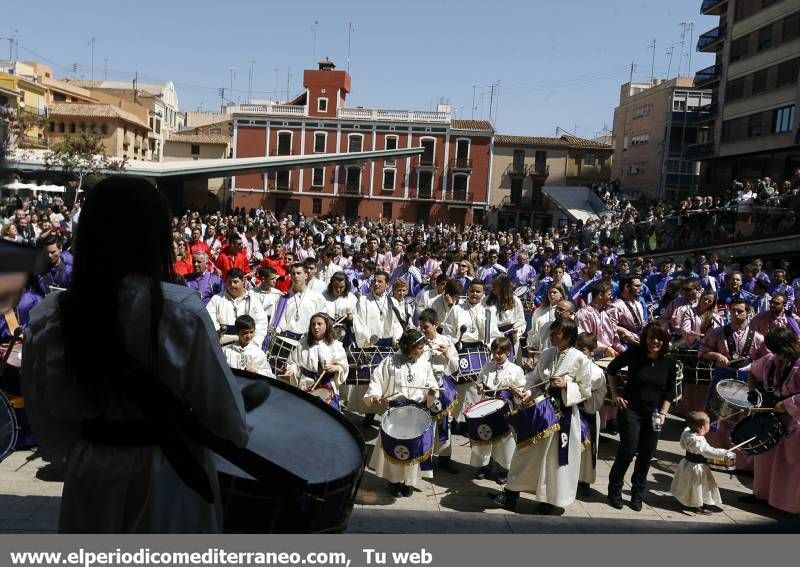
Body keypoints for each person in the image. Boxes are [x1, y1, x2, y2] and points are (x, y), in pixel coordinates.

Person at [22, 177, 248, 533]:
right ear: (153, 237)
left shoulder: (50, 317)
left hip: (91, 476)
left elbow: (48, 426)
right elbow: (229, 422)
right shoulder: (181, 312)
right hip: (168, 482)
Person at [490, 318, 591, 514]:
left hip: (564, 415)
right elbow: (534, 378)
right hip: (541, 410)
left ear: (568, 337)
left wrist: (566, 385)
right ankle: (510, 495)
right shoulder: (547, 353)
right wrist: (525, 392)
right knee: (524, 453)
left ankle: (549, 501)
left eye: (556, 334)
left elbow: (586, 390)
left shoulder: (580, 359)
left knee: (553, 459)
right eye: (552, 333)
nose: (552, 336)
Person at [606, 322, 677, 511]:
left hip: (654, 414)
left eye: (659, 338)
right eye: (651, 337)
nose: (655, 341)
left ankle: (638, 493)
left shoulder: (669, 362)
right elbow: (611, 370)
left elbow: (670, 391)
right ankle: (614, 490)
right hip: (631, 410)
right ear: (645, 338)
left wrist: (663, 413)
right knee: (628, 451)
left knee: (646, 454)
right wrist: (616, 395)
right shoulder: (635, 354)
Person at [364, 329, 440, 497]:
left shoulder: (424, 363)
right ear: (409, 347)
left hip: (417, 413)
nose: (422, 350)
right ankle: (394, 481)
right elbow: (377, 380)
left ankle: (409, 482)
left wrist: (432, 392)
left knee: (413, 448)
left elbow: (431, 383)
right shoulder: (390, 362)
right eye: (419, 347)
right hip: (396, 413)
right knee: (396, 446)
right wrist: (375, 394)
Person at [744, 327, 800, 515]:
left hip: (795, 418)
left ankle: (787, 504)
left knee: (789, 463)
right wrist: (752, 393)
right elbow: (752, 370)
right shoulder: (771, 360)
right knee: (764, 458)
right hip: (770, 415)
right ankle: (762, 495)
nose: (778, 356)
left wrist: (787, 404)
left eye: (780, 352)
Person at [471, 336, 525, 485]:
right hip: (487, 408)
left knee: (504, 440)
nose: (496, 356)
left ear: (508, 352)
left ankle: (503, 468)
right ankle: (485, 465)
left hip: (504, 410)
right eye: (494, 352)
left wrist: (516, 392)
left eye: (500, 353)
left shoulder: (516, 370)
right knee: (486, 437)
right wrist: (480, 385)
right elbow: (481, 380)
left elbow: (521, 393)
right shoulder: (487, 366)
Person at [418, 308, 460, 474]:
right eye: (421, 326)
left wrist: (447, 354)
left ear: (435, 325)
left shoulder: (446, 340)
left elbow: (455, 366)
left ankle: (444, 458)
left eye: (426, 327)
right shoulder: (419, 340)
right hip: (425, 387)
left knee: (444, 423)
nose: (423, 330)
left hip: (442, 386)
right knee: (425, 422)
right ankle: (423, 455)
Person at [669, 411, 734, 514]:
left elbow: (684, 440)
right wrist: (724, 453)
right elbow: (708, 451)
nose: (710, 425)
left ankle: (686, 500)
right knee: (699, 486)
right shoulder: (697, 441)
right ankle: (699, 507)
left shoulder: (688, 432)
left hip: (686, 463)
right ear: (701, 428)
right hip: (697, 468)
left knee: (687, 485)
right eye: (707, 424)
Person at [282, 312, 348, 411]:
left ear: (327, 325)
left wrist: (336, 368)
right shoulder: (303, 344)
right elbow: (293, 363)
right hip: (306, 384)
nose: (316, 327)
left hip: (327, 385)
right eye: (313, 324)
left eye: (319, 324)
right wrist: (291, 370)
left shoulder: (336, 345)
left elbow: (344, 366)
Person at [575, 332, 607, 497]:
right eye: (577, 348)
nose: (580, 352)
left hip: (587, 414)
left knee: (587, 451)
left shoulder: (596, 371)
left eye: (584, 349)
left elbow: (583, 390)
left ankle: (584, 480)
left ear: (592, 351)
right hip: (573, 413)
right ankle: (571, 478)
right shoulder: (572, 364)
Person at [206, 268, 268, 348]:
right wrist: (218, 338)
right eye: (229, 282)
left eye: (235, 282)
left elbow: (261, 324)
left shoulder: (254, 301)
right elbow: (209, 320)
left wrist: (253, 344)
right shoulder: (217, 299)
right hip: (222, 346)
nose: (232, 285)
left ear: (243, 281)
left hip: (248, 346)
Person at [484, 274, 526, 361]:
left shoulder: (515, 301)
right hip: (492, 339)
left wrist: (517, 329)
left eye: (495, 286)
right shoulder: (486, 300)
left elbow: (521, 321)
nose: (492, 288)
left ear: (503, 287)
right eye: (492, 285)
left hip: (509, 339)